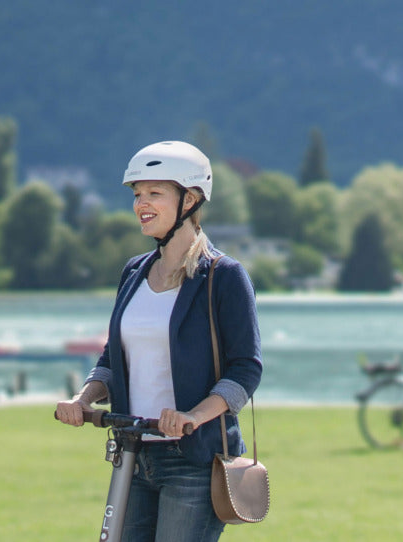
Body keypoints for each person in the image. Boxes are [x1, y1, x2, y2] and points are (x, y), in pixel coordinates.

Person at [55, 141, 263, 542]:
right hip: (133, 455)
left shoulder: (224, 276)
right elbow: (112, 359)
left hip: (194, 462)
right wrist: (84, 399)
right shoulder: (134, 272)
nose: (140, 204)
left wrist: (193, 417)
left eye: (154, 193)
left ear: (190, 199)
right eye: (137, 194)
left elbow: (246, 368)